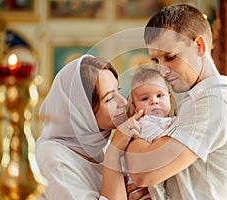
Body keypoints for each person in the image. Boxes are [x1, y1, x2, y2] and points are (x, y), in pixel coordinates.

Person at [124, 4, 227, 200]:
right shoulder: (194, 103)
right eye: (157, 61)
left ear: (199, 46)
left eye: (170, 57)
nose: (163, 71)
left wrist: (127, 138)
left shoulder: (215, 103)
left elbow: (144, 172)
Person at [35, 54, 145, 199]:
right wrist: (114, 152)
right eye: (110, 98)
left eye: (118, 90)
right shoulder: (53, 156)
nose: (123, 102)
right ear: (81, 110)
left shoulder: (100, 147)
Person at [123, 65, 177, 199]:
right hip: (144, 188)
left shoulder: (172, 120)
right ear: (135, 106)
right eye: (145, 99)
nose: (154, 101)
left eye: (160, 95)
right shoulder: (144, 123)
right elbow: (164, 142)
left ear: (169, 98)